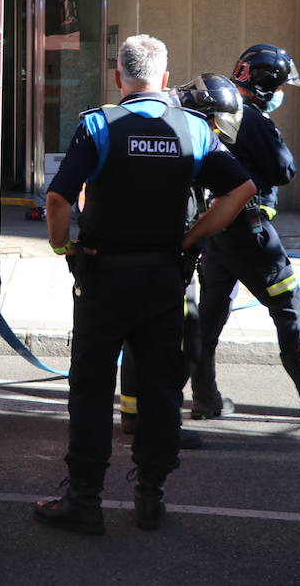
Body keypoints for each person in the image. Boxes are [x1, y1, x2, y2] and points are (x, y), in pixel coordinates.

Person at [35, 35, 255, 535]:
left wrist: (59, 245)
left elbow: (57, 200)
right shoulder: (195, 129)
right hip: (164, 280)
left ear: (118, 77)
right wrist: (194, 235)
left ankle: (85, 501)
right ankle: (150, 496)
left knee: (90, 391)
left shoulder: (99, 125)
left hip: (103, 278)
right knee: (159, 390)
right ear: (164, 76)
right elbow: (242, 189)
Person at [190, 45, 300, 421]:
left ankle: (204, 397)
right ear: (267, 85)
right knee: (291, 306)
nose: (284, 92)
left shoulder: (216, 112)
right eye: (283, 85)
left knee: (209, 317)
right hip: (249, 233)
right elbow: (283, 169)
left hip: (216, 232)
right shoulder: (251, 118)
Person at [117, 72, 245, 448]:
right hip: (166, 259)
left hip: (131, 256)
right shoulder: (185, 136)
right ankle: (157, 425)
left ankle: (134, 416)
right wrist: (194, 236)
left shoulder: (154, 130)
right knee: (183, 339)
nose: (217, 131)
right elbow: (241, 189)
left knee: (138, 340)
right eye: (214, 123)